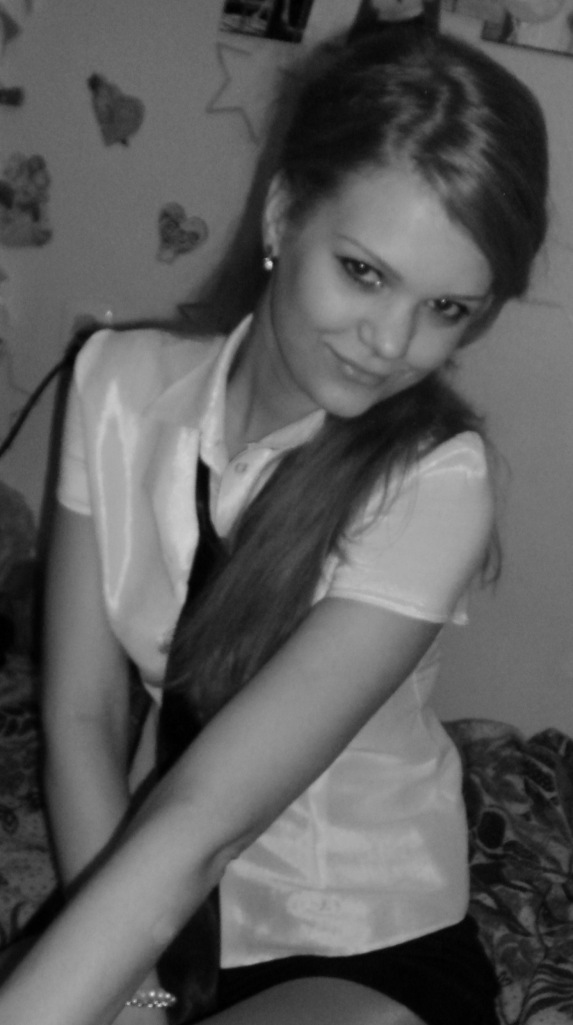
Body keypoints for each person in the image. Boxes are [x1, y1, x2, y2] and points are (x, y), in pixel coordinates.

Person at [0, 24, 548, 1025]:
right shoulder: (113, 387)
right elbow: (82, 715)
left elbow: (204, 818)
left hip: (358, 940)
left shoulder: (434, 480)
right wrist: (139, 995)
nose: (391, 342)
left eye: (447, 308)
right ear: (285, 211)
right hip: (139, 897)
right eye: (365, 272)